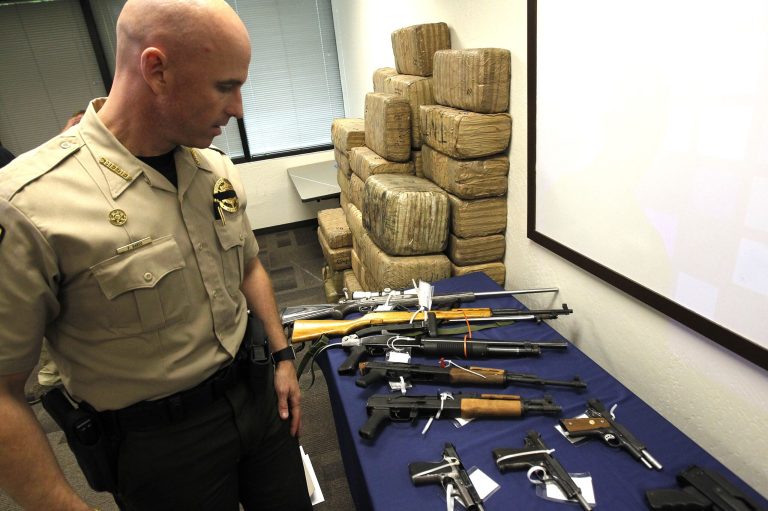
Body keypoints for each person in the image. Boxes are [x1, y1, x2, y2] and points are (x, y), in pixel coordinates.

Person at [0, 1, 311, 510]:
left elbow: (249, 264)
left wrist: (281, 357)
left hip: (256, 396)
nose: (239, 110)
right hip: (160, 446)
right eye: (224, 86)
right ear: (156, 70)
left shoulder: (213, 168)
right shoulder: (28, 204)